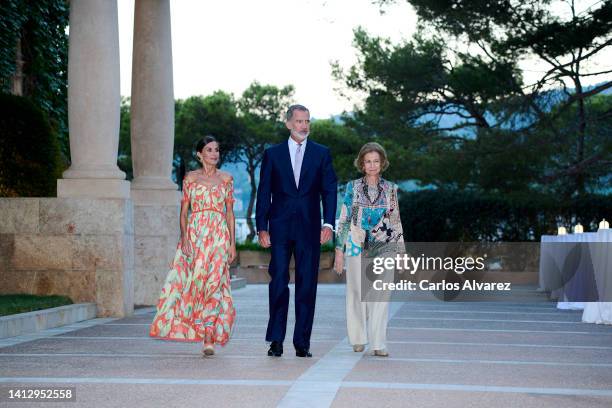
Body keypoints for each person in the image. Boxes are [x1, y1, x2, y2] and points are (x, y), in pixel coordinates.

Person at [256, 104, 338, 358]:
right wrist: (262, 227)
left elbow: (330, 190)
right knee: (279, 282)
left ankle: (302, 342)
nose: (304, 126)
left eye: (307, 121)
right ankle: (276, 340)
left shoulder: (321, 153)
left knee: (307, 285)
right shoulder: (273, 154)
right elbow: (264, 193)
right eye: (299, 121)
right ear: (289, 123)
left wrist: (328, 223)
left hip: (310, 228)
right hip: (279, 228)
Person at [149, 136, 236, 357]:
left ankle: (209, 335)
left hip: (218, 236)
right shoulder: (190, 179)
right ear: (199, 154)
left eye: (217, 149)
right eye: (209, 150)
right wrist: (185, 239)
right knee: (196, 282)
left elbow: (229, 214)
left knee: (215, 282)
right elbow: (184, 213)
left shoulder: (226, 179)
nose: (214, 154)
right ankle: (196, 325)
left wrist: (232, 244)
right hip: (196, 235)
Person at [334, 142, 404, 357]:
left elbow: (395, 220)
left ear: (382, 163)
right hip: (356, 246)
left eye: (376, 161)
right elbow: (344, 219)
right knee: (357, 294)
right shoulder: (352, 187)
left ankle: (378, 343)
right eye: (368, 161)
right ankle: (357, 338)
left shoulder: (391, 188)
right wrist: (338, 251)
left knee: (381, 296)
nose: (372, 165)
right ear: (362, 164)